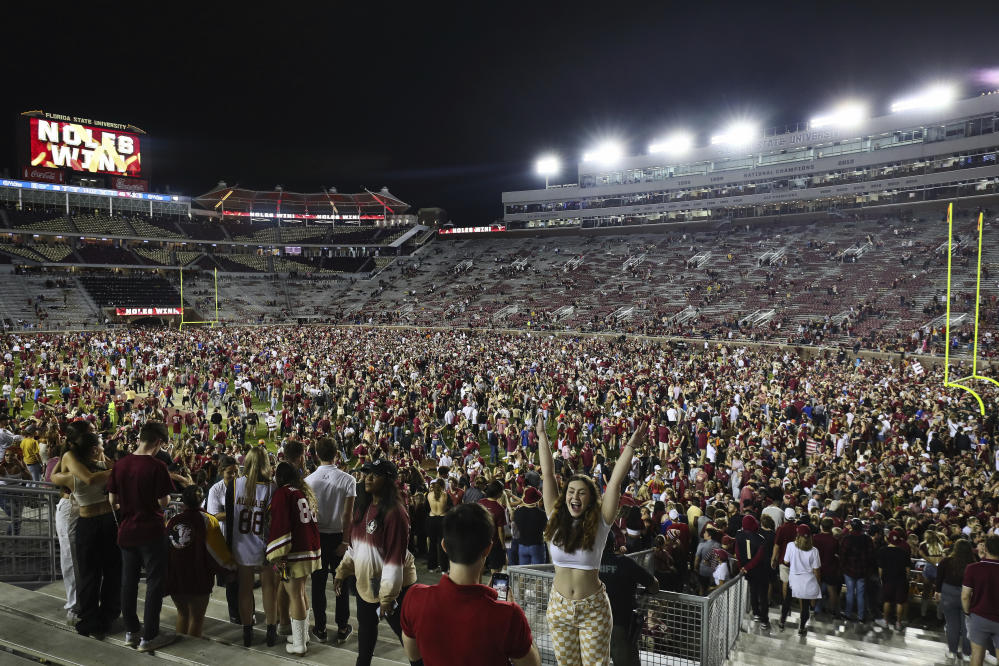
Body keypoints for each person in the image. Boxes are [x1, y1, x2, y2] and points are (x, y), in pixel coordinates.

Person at [538, 417, 642, 666]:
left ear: (590, 498)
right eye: (571, 491)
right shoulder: (554, 518)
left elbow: (615, 482)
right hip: (559, 607)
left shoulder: (601, 522)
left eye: (581, 492)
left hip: (593, 608)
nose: (575, 496)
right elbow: (548, 475)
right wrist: (542, 436)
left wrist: (630, 446)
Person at [400, 503, 540, 666]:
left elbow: (413, 654)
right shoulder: (508, 615)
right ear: (488, 549)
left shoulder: (415, 597)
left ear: (444, 545)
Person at [333, 457, 417, 666]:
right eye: (366, 472)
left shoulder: (395, 513)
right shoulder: (363, 507)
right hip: (367, 585)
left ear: (388, 480)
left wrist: (388, 597)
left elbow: (394, 559)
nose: (367, 478)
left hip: (396, 588)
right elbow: (355, 547)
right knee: (366, 634)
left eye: (375, 474)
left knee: (408, 637)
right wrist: (342, 571)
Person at [107, 420, 176, 652]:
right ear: (158, 442)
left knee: (128, 582)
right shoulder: (157, 467)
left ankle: (131, 631)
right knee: (154, 583)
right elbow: (163, 501)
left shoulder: (120, 464)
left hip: (126, 530)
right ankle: (149, 636)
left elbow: (112, 500)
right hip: (151, 531)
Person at [50, 428, 118, 638]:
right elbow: (96, 476)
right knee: (112, 572)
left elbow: (54, 477)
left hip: (87, 523)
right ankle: (108, 617)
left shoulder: (71, 476)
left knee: (89, 573)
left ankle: (89, 619)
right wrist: (108, 462)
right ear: (94, 450)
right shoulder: (107, 470)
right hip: (108, 522)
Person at [304, 437, 356, 644]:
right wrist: (345, 542)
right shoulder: (347, 479)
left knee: (317, 584)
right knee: (340, 581)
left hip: (317, 537)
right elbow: (348, 515)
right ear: (337, 453)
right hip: (338, 537)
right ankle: (342, 627)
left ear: (316, 455)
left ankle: (321, 627)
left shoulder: (308, 480)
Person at [165, 484, 236, 637]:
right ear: (202, 501)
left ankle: (179, 655)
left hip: (176, 576)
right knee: (196, 620)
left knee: (182, 615)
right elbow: (217, 552)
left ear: (183, 502)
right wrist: (229, 569)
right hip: (198, 576)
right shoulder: (208, 521)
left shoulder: (172, 521)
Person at [267, 461, 322, 655]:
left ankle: (299, 644)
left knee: (295, 594)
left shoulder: (283, 493)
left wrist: (278, 554)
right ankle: (303, 635)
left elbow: (281, 525)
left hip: (295, 551)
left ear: (280, 477)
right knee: (301, 592)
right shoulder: (301, 492)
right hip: (309, 548)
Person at [229, 445, 279, 647]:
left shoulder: (234, 485)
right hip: (265, 544)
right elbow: (273, 521)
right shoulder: (271, 487)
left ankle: (247, 633)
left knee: (244, 590)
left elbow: (231, 519)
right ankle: (271, 632)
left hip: (241, 545)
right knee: (269, 589)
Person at [598, 533, 659, 666]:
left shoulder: (589, 565)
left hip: (593, 625)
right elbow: (654, 585)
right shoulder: (625, 563)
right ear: (614, 544)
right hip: (619, 626)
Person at [204, 454, 241, 623]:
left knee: (241, 578)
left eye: (236, 472)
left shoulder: (242, 485)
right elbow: (214, 516)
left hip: (241, 538)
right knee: (231, 579)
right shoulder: (215, 490)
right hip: (224, 538)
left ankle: (245, 610)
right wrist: (235, 513)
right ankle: (234, 613)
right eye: (230, 473)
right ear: (221, 471)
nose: (233, 476)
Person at [962, 534, 999, 666]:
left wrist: (967, 613)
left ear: (986, 549)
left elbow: (965, 596)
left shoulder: (973, 568)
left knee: (977, 656)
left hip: (979, 617)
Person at [937, 538, 975, 661]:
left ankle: (952, 652)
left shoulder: (946, 561)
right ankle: (966, 654)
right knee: (967, 625)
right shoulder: (974, 563)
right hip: (968, 594)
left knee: (952, 625)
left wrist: (938, 591)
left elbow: (939, 578)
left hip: (949, 592)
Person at [781, 524, 821, 636]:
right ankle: (802, 627)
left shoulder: (791, 546)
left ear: (797, 535)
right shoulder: (814, 551)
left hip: (793, 580)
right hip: (807, 582)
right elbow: (816, 570)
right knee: (805, 607)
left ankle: (782, 621)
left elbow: (786, 562)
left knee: (787, 602)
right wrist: (817, 585)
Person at [735, 514, 771, 628]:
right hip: (760, 570)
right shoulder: (760, 539)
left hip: (748, 571)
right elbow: (758, 557)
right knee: (763, 596)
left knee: (753, 591)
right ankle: (764, 620)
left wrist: (742, 567)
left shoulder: (739, 535)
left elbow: (738, 553)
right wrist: (747, 567)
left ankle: (756, 613)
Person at [876, 529, 912, 631]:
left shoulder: (882, 551)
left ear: (888, 539)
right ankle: (898, 623)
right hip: (901, 579)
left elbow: (880, 569)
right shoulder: (903, 552)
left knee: (887, 601)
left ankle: (886, 622)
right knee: (899, 602)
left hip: (887, 579)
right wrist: (906, 578)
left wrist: (881, 579)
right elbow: (907, 569)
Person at [840, 519, 874, 623]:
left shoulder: (847, 539)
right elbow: (870, 556)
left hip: (849, 571)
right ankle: (861, 616)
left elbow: (843, 555)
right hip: (863, 571)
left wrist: (843, 567)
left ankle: (848, 614)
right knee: (860, 594)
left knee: (850, 593)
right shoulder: (867, 539)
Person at [514, 486, 547, 565]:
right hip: (537, 545)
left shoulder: (517, 512)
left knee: (523, 573)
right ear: (537, 499)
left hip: (522, 545)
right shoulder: (542, 514)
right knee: (538, 573)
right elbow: (545, 529)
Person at [425, 478, 450, 572]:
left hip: (431, 520)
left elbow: (426, 508)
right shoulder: (445, 495)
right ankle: (444, 569)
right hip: (442, 520)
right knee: (443, 544)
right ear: (443, 486)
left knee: (432, 544)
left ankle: (431, 567)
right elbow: (450, 508)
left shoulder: (429, 495)